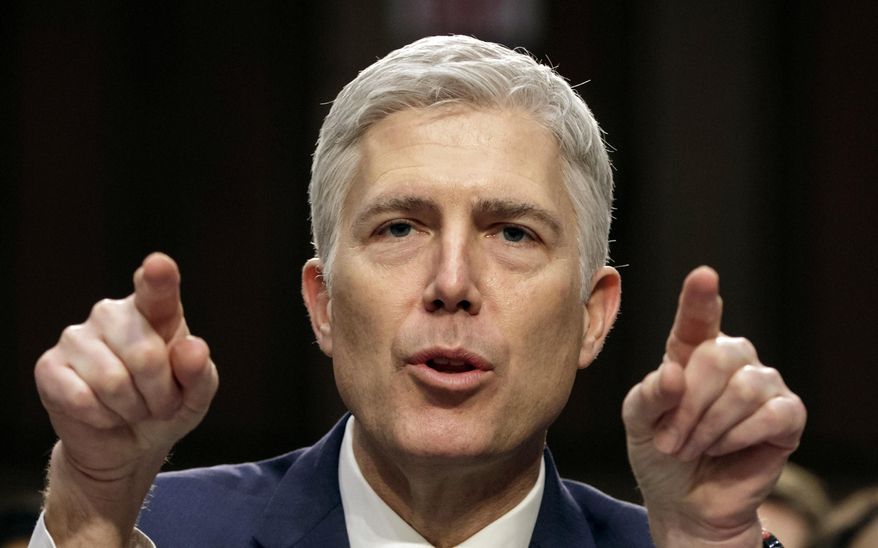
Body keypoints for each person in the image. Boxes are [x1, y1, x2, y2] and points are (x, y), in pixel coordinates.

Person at [29, 35, 806, 547]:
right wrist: (93, 506)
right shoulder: (156, 530)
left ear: (591, 316)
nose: (452, 284)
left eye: (513, 233)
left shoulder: (690, 544)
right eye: (400, 228)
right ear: (324, 301)